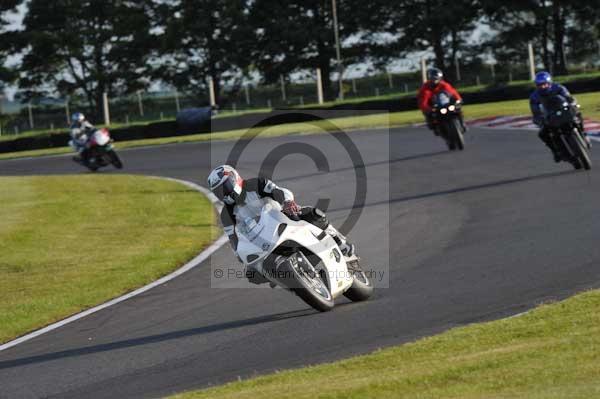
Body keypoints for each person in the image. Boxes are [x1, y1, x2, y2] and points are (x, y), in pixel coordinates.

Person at [207, 165, 355, 284]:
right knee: (252, 274)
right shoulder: (226, 214)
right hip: (263, 242)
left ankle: (340, 241)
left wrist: (288, 202)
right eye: (219, 192)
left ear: (235, 178)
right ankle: (295, 283)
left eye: (225, 187)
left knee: (312, 213)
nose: (224, 194)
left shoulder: (256, 184)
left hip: (283, 218)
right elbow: (234, 240)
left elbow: (279, 192)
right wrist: (240, 254)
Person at [530, 71, 588, 162]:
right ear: (537, 85)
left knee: (578, 114)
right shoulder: (534, 96)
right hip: (550, 116)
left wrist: (572, 103)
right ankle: (556, 151)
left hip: (563, 111)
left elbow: (568, 96)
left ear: (549, 82)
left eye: (544, 84)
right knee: (542, 134)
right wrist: (538, 119)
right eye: (540, 85)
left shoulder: (558, 87)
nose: (543, 87)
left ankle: (584, 134)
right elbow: (535, 110)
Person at [418, 68, 465, 134]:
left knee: (457, 109)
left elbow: (453, 92)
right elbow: (423, 101)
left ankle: (462, 124)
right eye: (433, 78)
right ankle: (435, 127)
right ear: (430, 78)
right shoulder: (425, 88)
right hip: (433, 105)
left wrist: (459, 100)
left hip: (445, 103)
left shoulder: (444, 85)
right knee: (429, 114)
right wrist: (428, 109)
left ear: (440, 78)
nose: (435, 80)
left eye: (437, 78)